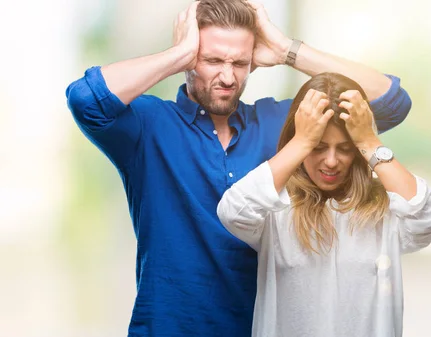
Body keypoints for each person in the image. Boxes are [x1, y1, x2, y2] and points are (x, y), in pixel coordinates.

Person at [65, 0, 412, 336]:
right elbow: (85, 98)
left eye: (240, 63)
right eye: (212, 60)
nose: (228, 76)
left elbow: (390, 103)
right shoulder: (149, 125)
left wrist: (285, 50)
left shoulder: (281, 124)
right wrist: (177, 56)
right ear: (190, 58)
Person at [217, 72, 431, 337]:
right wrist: (302, 141)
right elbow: (232, 211)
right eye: (318, 147)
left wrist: (369, 141)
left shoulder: (385, 212)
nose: (332, 161)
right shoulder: (275, 208)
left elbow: (427, 216)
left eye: (345, 148)